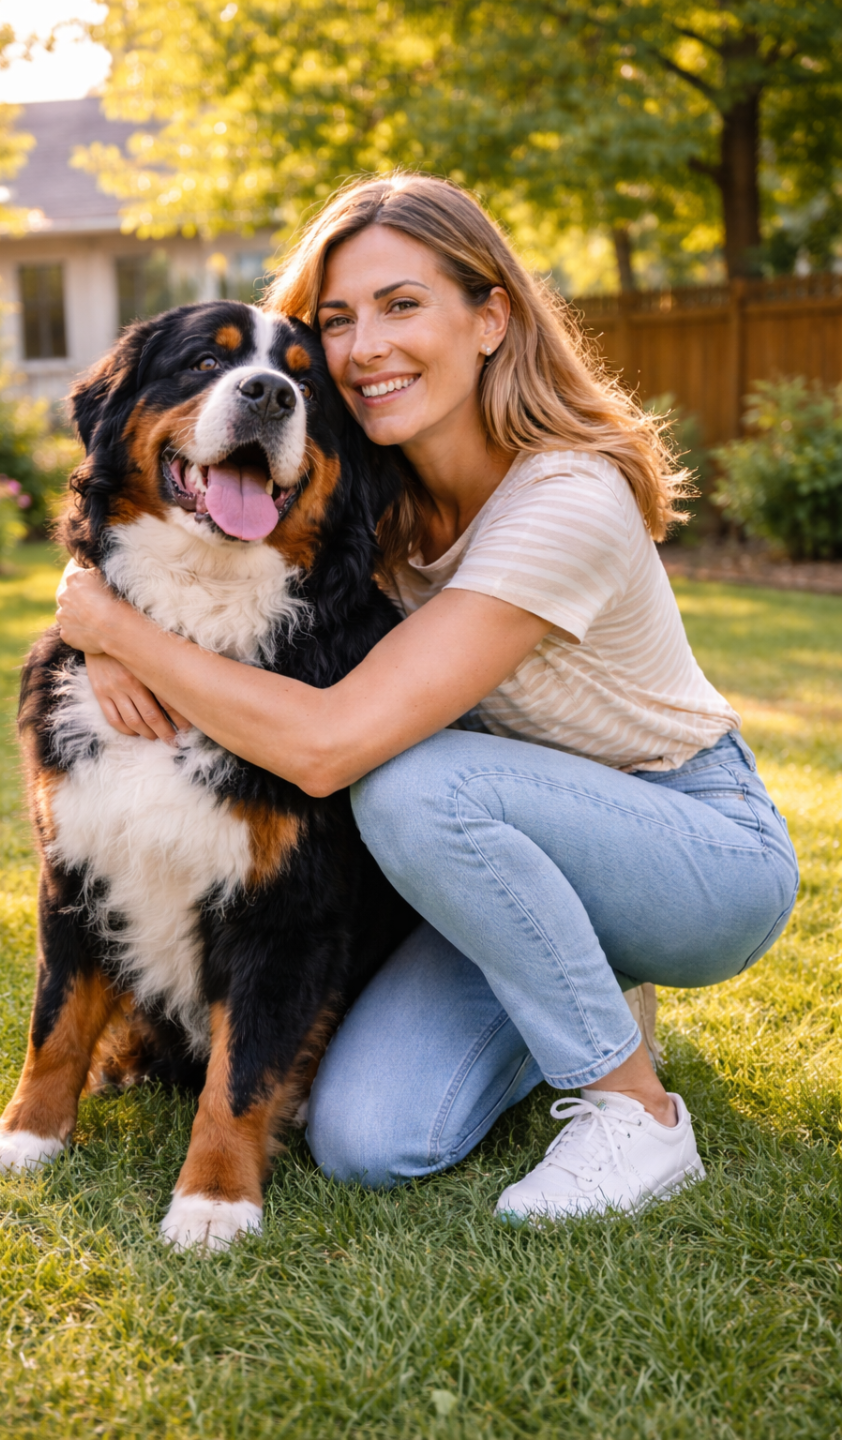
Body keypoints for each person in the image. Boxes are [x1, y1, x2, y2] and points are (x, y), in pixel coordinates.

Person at [56, 174, 799, 1223]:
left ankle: (637, 1113)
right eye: (342, 319)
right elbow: (184, 569)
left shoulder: (567, 498)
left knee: (405, 781)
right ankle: (580, 976)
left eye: (403, 306)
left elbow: (325, 749)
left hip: (691, 848)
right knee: (369, 1140)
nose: (366, 348)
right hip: (496, 855)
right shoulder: (372, 505)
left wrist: (112, 630)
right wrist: (109, 633)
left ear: (491, 315)